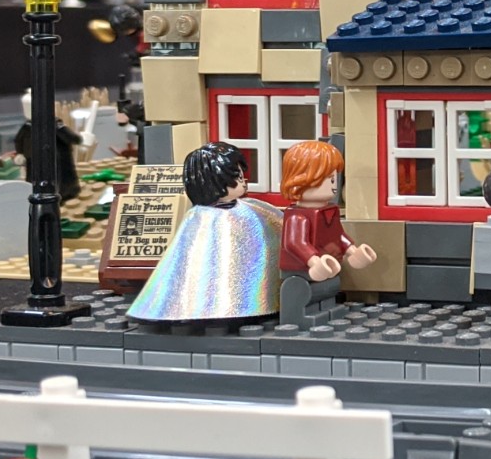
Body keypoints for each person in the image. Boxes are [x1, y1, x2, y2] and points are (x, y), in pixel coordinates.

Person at [127, 142, 283, 327]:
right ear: (216, 182)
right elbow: (189, 261)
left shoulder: (252, 209)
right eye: (238, 177)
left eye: (242, 176)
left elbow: (275, 230)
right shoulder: (201, 219)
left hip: (257, 286)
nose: (244, 182)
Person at [278, 140, 376, 328]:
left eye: (334, 178)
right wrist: (313, 261)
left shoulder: (328, 211)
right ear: (301, 180)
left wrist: (352, 251)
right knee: (305, 290)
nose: (333, 185)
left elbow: (338, 234)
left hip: (329, 265)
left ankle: (326, 309)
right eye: (328, 179)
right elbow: (294, 243)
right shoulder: (298, 216)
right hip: (303, 269)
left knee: (329, 287)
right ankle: (301, 316)